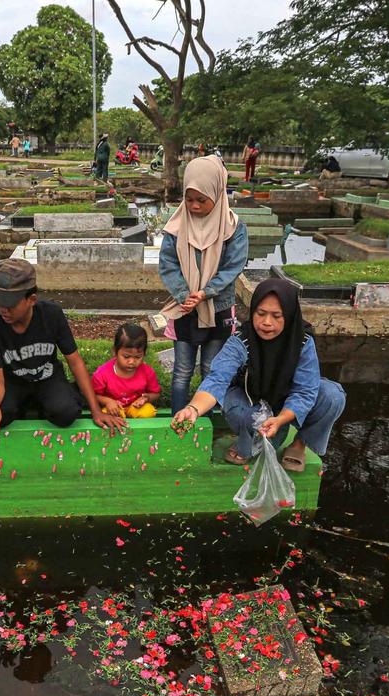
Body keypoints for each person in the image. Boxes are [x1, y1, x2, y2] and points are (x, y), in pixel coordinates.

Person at [171, 278, 346, 471]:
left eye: (276, 316)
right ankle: (247, 442)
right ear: (252, 310)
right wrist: (193, 409)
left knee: (332, 396)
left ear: (289, 316)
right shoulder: (241, 340)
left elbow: (305, 390)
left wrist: (281, 419)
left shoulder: (302, 341)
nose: (266, 323)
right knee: (242, 415)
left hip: (285, 400)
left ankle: (299, 444)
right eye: (260, 313)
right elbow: (217, 379)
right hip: (249, 397)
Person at [0, 258, 127, 436]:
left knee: (66, 413)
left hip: (47, 376)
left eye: (9, 304)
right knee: (0, 415)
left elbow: (75, 362)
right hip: (11, 381)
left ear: (31, 299)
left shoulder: (51, 314)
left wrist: (96, 411)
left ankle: (46, 402)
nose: (3, 309)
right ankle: (19, 406)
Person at [158, 155, 249, 413]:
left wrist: (207, 292)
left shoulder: (233, 228)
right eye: (189, 199)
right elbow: (168, 264)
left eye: (201, 200)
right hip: (185, 307)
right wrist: (184, 294)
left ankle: (204, 421)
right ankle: (177, 421)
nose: (194, 206)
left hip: (218, 307)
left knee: (211, 369)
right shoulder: (176, 227)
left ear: (218, 195)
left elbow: (233, 266)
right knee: (182, 371)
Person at [92, 323, 161, 419]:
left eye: (138, 357)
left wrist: (146, 398)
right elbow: (94, 395)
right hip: (114, 408)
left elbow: (156, 394)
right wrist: (108, 402)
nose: (132, 362)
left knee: (148, 412)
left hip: (136, 407)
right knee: (108, 414)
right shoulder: (102, 373)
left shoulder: (147, 372)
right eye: (126, 356)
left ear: (144, 353)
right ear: (114, 351)